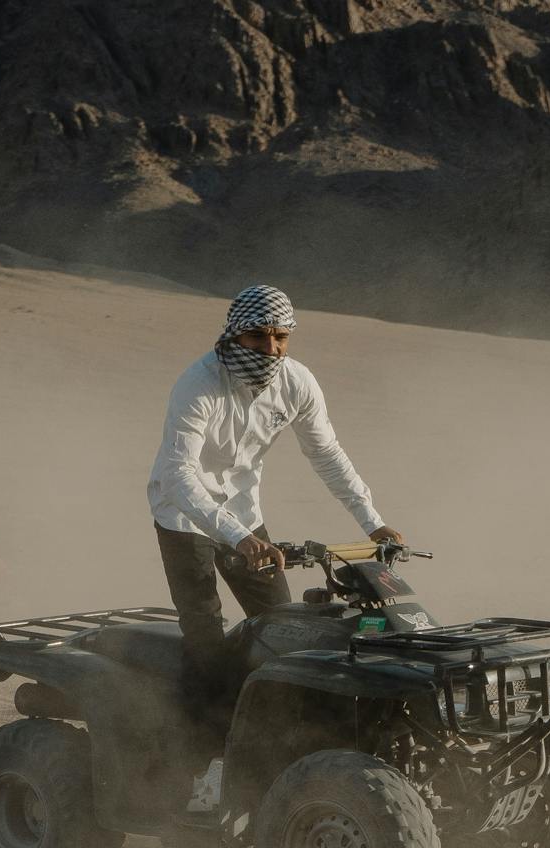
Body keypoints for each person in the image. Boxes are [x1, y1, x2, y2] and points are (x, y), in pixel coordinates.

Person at [147, 284, 403, 760]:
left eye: (281, 338)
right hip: (184, 515)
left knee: (283, 626)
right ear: (234, 336)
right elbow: (178, 474)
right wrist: (237, 539)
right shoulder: (197, 384)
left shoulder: (297, 382)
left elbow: (326, 454)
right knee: (204, 632)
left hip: (244, 513)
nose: (271, 349)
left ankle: (273, 738)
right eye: (259, 337)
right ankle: (202, 764)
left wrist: (373, 522)